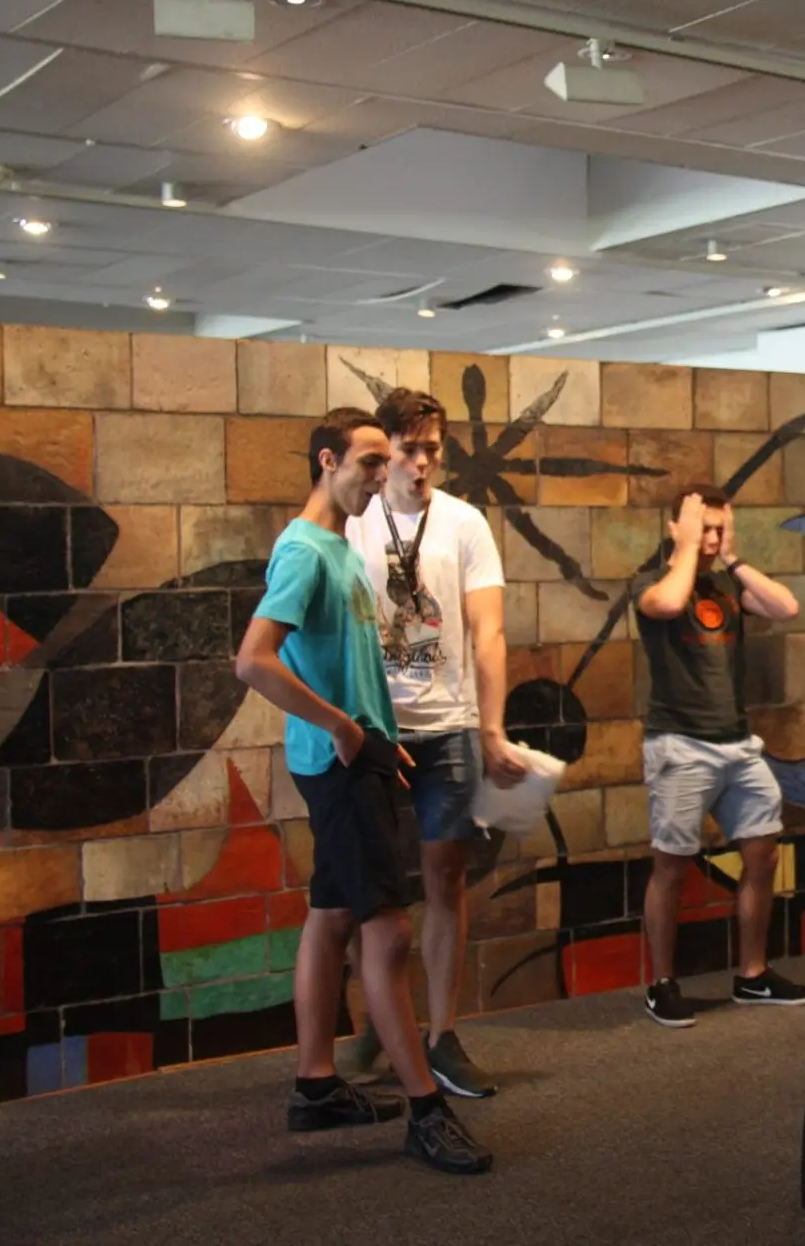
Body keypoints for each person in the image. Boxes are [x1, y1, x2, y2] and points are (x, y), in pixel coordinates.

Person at [234, 407, 493, 1174]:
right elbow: (253, 660)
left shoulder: (340, 545)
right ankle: (426, 1109)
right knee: (388, 934)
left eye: (387, 463)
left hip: (362, 757)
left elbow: (347, 662)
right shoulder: (304, 551)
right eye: (371, 463)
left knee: (332, 914)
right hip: (340, 764)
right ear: (327, 461)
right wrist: (346, 730)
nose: (384, 477)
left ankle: (316, 1086)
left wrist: (374, 731)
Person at [335, 388, 527, 1099]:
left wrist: (491, 726)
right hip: (375, 728)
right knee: (371, 889)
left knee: (445, 877)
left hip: (447, 725)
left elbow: (489, 631)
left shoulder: (464, 523)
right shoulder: (355, 520)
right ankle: (380, 1025)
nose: (421, 464)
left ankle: (443, 1033)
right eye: (409, 450)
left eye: (432, 451)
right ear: (382, 452)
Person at [633, 486, 805, 1028]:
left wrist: (733, 556)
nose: (712, 538)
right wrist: (687, 546)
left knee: (762, 854)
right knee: (672, 866)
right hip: (679, 745)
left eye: (720, 529)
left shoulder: (728, 584)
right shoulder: (652, 583)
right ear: (677, 528)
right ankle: (662, 984)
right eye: (704, 527)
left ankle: (753, 975)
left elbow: (786, 607)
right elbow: (670, 604)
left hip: (738, 745)